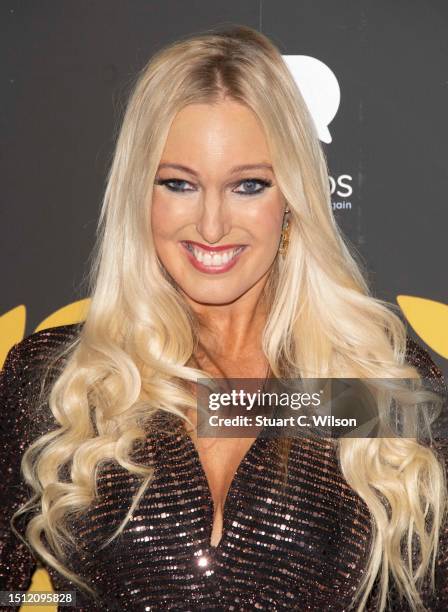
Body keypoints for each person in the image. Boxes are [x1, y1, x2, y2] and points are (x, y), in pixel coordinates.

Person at [1, 25, 447, 612]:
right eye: (179, 184)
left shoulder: (371, 380)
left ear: (292, 197)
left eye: (248, 186)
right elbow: (11, 595)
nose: (211, 226)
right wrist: (62, 606)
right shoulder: (63, 378)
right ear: (141, 193)